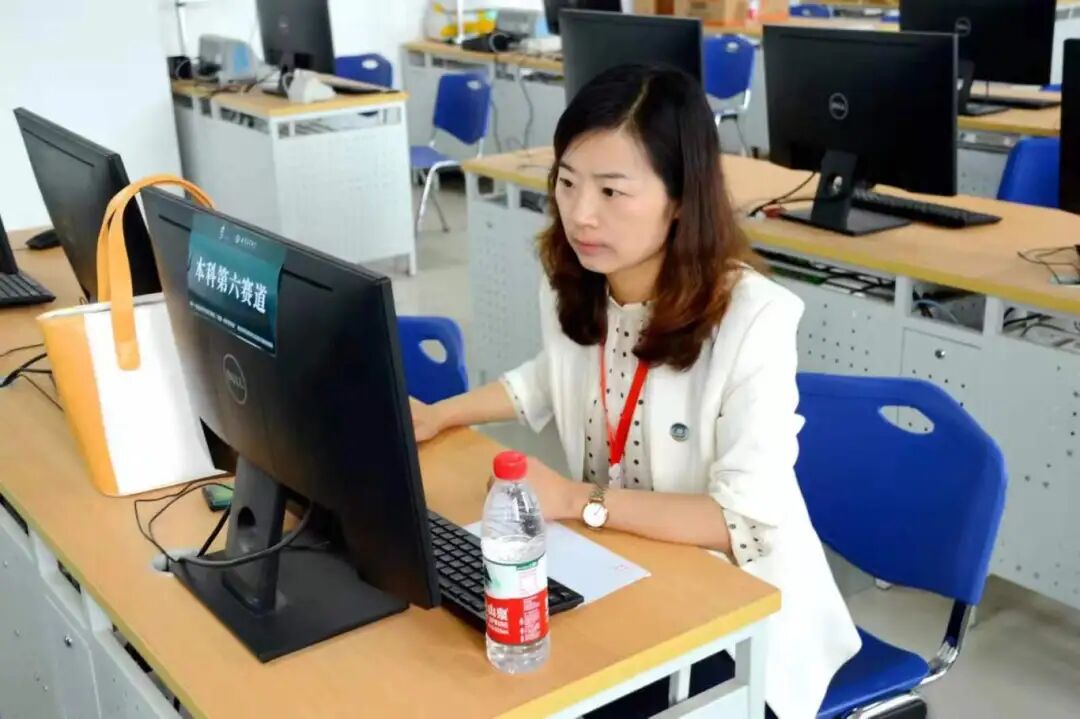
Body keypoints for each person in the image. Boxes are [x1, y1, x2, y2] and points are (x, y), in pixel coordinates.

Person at [409, 64, 861, 718]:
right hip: (621, 567)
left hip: (742, 620)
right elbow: (551, 374)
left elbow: (740, 521)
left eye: (612, 191)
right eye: (567, 182)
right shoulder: (577, 279)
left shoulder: (754, 319)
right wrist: (439, 415)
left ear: (680, 198)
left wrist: (575, 500)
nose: (580, 214)